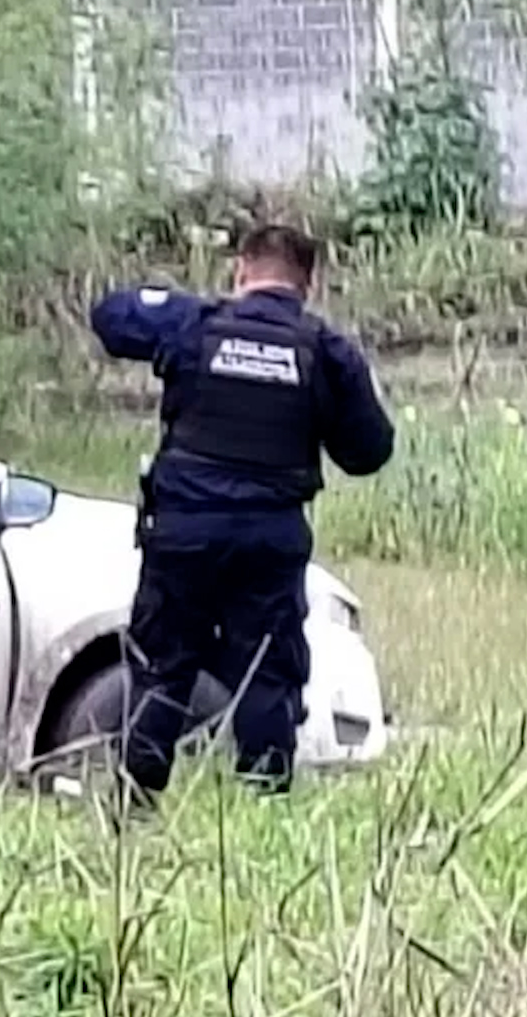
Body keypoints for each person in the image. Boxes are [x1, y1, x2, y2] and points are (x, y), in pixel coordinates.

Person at [90, 223, 395, 808]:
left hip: (183, 535)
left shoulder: (194, 324)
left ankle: (134, 808)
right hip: (267, 543)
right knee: (267, 676)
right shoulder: (324, 351)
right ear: (309, 285)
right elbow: (370, 452)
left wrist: (181, 309)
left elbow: (111, 317)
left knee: (162, 668)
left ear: (241, 272)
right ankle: (264, 807)